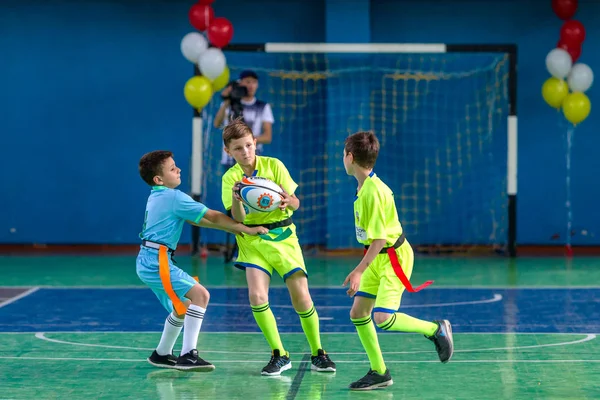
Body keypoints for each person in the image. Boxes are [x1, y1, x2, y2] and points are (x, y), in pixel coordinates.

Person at [220, 119, 336, 376]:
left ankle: (319, 352)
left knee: (301, 297)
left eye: (248, 145)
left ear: (255, 143)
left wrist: (287, 201)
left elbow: (296, 203)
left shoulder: (274, 165)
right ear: (228, 151)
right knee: (257, 296)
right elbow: (237, 218)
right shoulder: (230, 178)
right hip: (252, 240)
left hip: (283, 235)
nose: (245, 152)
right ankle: (279, 354)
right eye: (238, 148)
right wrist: (238, 196)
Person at [341, 131, 454, 391]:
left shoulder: (375, 192)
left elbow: (380, 238)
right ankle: (379, 372)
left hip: (393, 256)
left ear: (350, 157)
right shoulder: (363, 186)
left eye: (343, 155)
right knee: (359, 313)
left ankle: (435, 329)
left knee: (383, 318)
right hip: (377, 256)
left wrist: (359, 270)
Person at [137, 150, 268, 371]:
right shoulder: (173, 196)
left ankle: (161, 354)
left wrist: (238, 230)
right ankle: (188, 355)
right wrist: (246, 228)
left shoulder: (158, 195)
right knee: (201, 295)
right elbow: (212, 216)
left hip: (150, 259)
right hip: (156, 260)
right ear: (159, 179)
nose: (178, 169)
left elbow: (202, 221)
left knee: (183, 306)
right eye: (172, 168)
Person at [214, 70, 274, 168]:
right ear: (240, 83)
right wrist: (227, 99)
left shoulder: (263, 107)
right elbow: (217, 124)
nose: (251, 85)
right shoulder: (229, 104)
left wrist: (244, 141)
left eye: (254, 82)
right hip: (230, 160)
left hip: (253, 160)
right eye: (247, 82)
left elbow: (267, 137)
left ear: (257, 85)